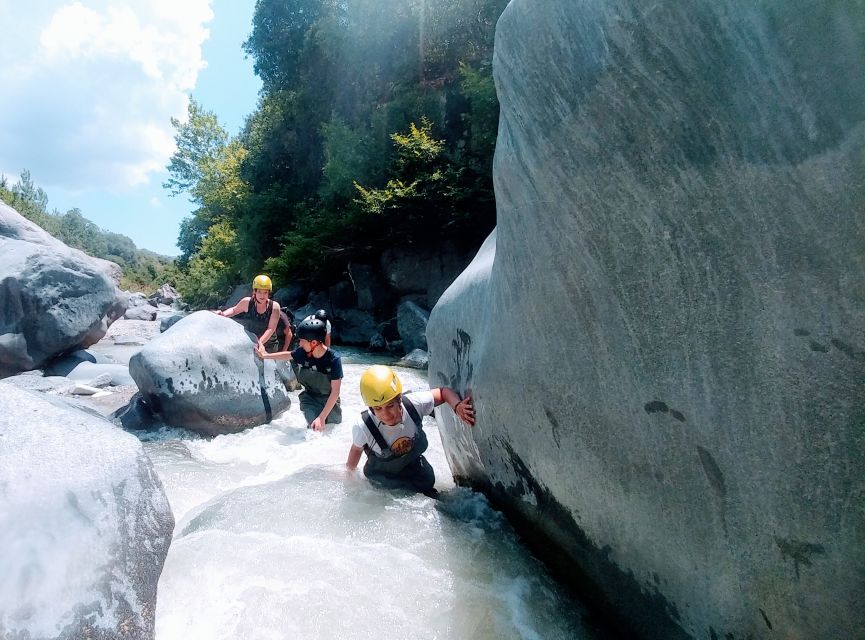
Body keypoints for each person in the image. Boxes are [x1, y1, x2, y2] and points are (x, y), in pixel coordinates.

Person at [345, 365, 475, 495]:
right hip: (382, 482)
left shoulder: (414, 404)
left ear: (399, 399)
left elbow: (443, 392)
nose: (386, 414)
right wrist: (349, 477)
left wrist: (457, 406)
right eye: (378, 409)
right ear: (371, 408)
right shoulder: (363, 426)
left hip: (415, 471)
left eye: (390, 406)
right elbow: (356, 450)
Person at [256, 316, 342, 431]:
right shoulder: (303, 352)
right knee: (314, 430)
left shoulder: (334, 359)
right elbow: (287, 355)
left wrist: (322, 417)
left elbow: (335, 392)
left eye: (302, 340)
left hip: (330, 400)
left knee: (333, 429)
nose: (299, 344)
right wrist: (265, 356)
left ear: (314, 343)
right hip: (310, 398)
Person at [213, 275, 282, 353]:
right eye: (259, 292)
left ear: (269, 293)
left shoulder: (274, 307)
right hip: (250, 340)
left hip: (269, 345)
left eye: (265, 292)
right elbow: (234, 310)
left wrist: (259, 343)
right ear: (254, 291)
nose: (262, 295)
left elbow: (271, 329)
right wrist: (223, 314)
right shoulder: (247, 302)